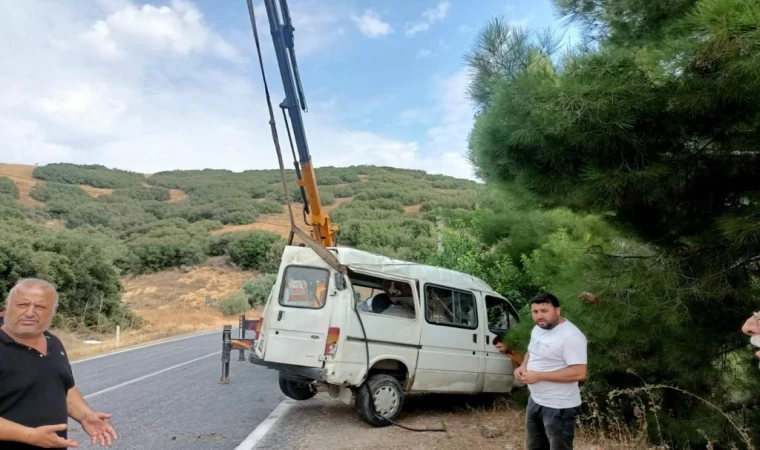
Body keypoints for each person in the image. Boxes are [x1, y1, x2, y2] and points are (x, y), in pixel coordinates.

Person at [0, 278, 118, 449]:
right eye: (22, 305)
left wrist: (85, 416)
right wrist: (30, 436)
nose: (30, 312)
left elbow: (62, 386)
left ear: (54, 310)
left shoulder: (53, 342)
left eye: (40, 307)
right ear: (7, 304)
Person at [513, 293, 588, 450]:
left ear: (557, 310)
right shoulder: (539, 328)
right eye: (535, 312)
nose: (540, 316)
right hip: (535, 400)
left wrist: (539, 376)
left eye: (544, 311)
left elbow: (579, 373)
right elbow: (532, 350)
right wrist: (523, 367)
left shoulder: (571, 337)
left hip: (558, 407)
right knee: (535, 447)